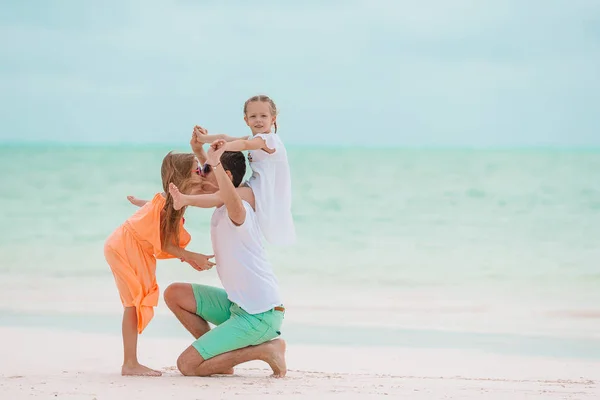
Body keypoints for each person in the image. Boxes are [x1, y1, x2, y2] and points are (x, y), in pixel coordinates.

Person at [165, 139, 287, 377]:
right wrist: (200, 151)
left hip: (260, 315)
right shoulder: (221, 206)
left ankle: (266, 350)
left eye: (206, 170)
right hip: (237, 307)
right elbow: (216, 183)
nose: (200, 174)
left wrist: (215, 163)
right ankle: (220, 359)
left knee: (187, 366)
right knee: (175, 293)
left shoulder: (239, 210)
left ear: (225, 175)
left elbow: (227, 192)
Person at [104, 151, 216, 376]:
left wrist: (140, 203)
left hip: (125, 244)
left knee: (133, 302)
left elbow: (154, 208)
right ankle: (130, 364)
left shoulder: (174, 199)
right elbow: (166, 245)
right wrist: (192, 256)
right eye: (198, 169)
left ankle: (130, 362)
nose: (202, 173)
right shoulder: (172, 204)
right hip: (128, 247)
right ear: (184, 175)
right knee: (134, 303)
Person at [172, 95, 296, 246]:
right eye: (253, 116)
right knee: (216, 187)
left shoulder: (270, 140)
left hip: (264, 191)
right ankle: (170, 199)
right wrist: (203, 139)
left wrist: (224, 147)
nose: (258, 120)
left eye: (264, 116)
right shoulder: (254, 138)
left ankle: (185, 200)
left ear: (273, 119)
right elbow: (226, 137)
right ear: (246, 120)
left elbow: (243, 145)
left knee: (222, 195)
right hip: (254, 185)